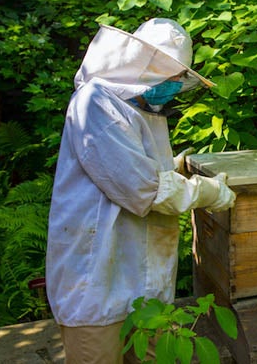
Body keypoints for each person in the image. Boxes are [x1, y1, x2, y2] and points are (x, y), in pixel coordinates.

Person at [45, 18, 236, 363]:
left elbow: (142, 170)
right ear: (143, 66)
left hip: (145, 287)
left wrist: (176, 166)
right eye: (173, 75)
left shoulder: (147, 111)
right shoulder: (95, 103)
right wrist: (208, 192)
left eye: (180, 77)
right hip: (97, 279)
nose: (176, 84)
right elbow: (144, 190)